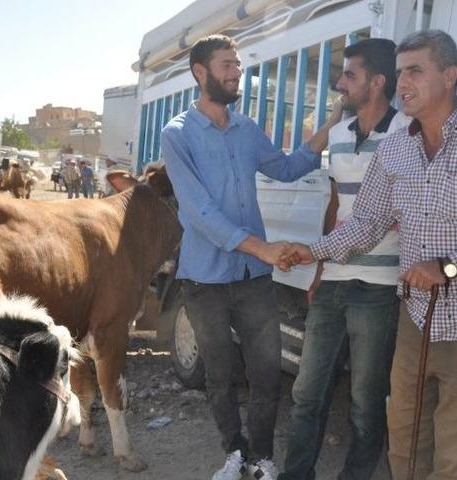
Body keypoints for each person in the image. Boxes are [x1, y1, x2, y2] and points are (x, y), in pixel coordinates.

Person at [280, 30, 457, 480]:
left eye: (416, 71)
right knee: (404, 447)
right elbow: (367, 222)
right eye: (400, 73)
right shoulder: (395, 149)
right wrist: (311, 252)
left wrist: (448, 267)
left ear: (450, 76)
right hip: (415, 321)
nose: (403, 83)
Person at [161, 34, 344, 480]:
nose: (236, 73)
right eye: (227, 65)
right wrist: (262, 247)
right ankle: (234, 453)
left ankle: (261, 457)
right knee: (220, 374)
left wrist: (334, 122)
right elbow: (199, 212)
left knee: (265, 372)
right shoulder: (177, 134)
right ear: (200, 72)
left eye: (238, 66)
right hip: (204, 279)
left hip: (253, 277)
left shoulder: (246, 130)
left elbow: (287, 168)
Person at [279, 38, 410, 480]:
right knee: (306, 394)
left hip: (379, 286)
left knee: (365, 403)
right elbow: (335, 205)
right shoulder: (337, 136)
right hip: (333, 280)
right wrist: (319, 269)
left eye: (350, 75)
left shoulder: (407, 132)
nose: (340, 84)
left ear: (377, 82)